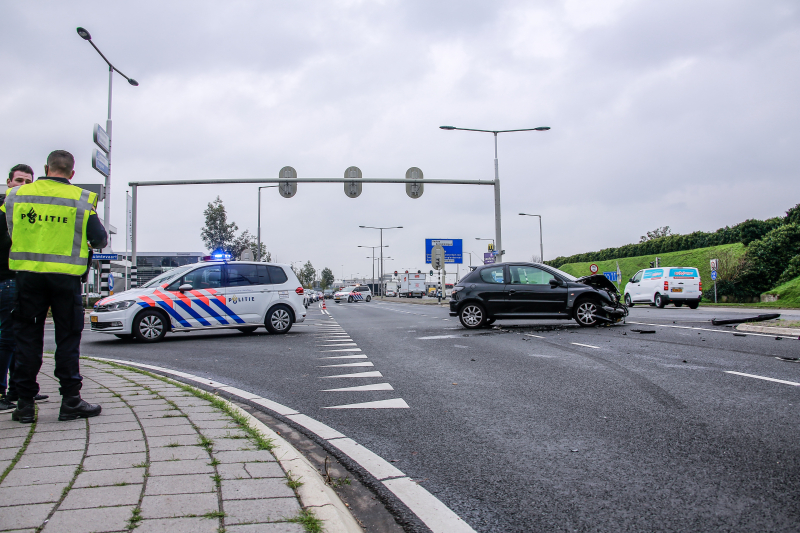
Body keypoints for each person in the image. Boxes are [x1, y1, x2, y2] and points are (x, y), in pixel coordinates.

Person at [0, 150, 108, 423]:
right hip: (66, 279)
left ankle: (24, 405)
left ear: (46, 168)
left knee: (26, 340)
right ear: (72, 173)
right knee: (68, 339)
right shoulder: (81, 199)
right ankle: (70, 400)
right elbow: (99, 239)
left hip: (28, 278)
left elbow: (7, 230)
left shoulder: (16, 196)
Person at [0, 164, 40, 411]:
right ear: (8, 182)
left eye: (28, 182)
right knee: (7, 339)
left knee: (18, 340)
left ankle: (18, 390)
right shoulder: (4, 213)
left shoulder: (28, 212)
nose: (23, 185)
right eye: (19, 180)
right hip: (7, 280)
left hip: (23, 281)